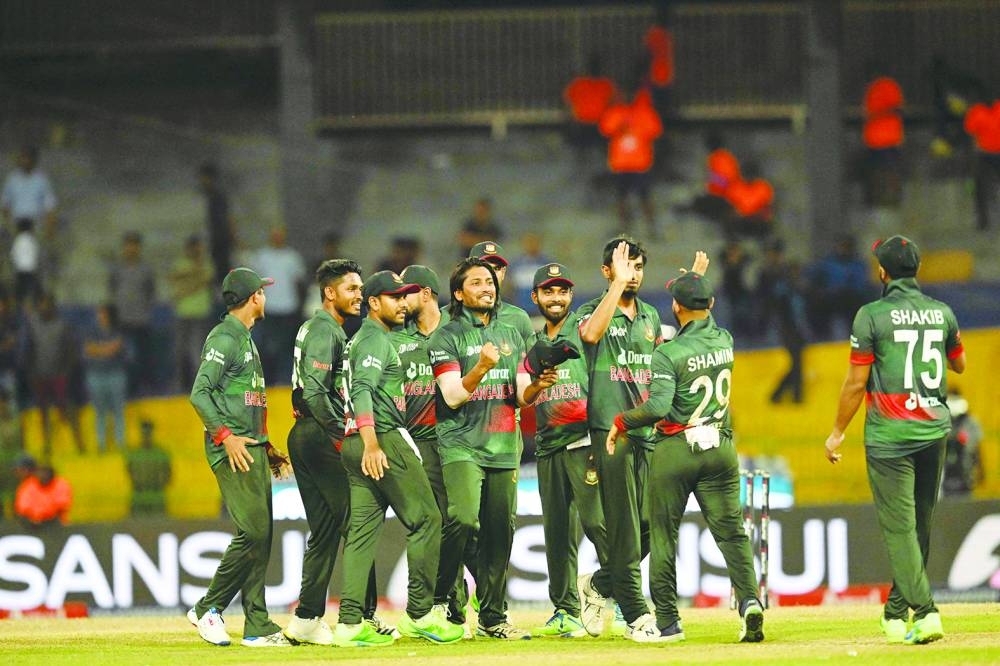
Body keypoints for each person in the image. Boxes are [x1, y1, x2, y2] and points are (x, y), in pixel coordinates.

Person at [606, 270, 765, 643]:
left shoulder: (669, 352)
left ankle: (668, 622)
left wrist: (622, 421)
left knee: (664, 537)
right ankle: (750, 602)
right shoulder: (725, 339)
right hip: (720, 447)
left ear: (675, 306)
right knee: (732, 533)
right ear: (710, 304)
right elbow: (704, 320)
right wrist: (698, 280)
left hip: (677, 448)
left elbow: (658, 406)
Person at [824, 235, 965, 645]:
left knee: (900, 528)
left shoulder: (871, 315)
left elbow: (855, 384)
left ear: (883, 273)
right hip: (934, 429)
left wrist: (836, 433)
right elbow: (959, 363)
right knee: (920, 524)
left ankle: (927, 612)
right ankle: (895, 611)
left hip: (889, 435)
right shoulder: (943, 312)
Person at [576, 238, 707, 640]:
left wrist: (694, 285)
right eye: (624, 265)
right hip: (610, 430)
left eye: (637, 266)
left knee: (650, 520)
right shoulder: (591, 310)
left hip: (647, 430)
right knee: (624, 527)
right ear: (607, 272)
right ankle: (636, 614)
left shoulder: (651, 316)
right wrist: (616, 286)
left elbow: (674, 356)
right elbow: (591, 336)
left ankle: (600, 584)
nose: (633, 272)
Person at [428, 258, 558, 640]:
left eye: (490, 282)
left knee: (501, 532)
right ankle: (440, 601)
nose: (487, 288)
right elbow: (451, 397)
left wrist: (539, 386)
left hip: (503, 445)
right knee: (464, 519)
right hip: (461, 445)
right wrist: (482, 367)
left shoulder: (511, 332)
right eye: (477, 283)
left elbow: (521, 395)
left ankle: (492, 617)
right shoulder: (445, 336)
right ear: (458, 293)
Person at [335, 270, 463, 646]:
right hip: (381, 439)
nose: (403, 303)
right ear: (373, 303)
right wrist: (373, 442)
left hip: (352, 443)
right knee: (427, 518)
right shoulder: (375, 339)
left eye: (406, 296)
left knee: (361, 534)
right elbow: (361, 390)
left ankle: (348, 622)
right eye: (394, 297)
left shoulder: (363, 339)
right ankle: (422, 613)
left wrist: (362, 440)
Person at [187, 266, 293, 648]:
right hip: (232, 450)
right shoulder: (225, 337)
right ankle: (207, 608)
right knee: (253, 532)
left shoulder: (245, 339)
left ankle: (257, 624)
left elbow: (245, 402)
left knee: (260, 537)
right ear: (254, 298)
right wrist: (226, 437)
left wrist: (266, 446)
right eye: (262, 292)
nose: (265, 297)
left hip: (251, 448)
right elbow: (200, 393)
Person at [284, 259, 386, 646]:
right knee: (359, 522)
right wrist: (341, 435)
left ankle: (307, 617)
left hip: (305, 434)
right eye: (352, 289)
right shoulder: (327, 331)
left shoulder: (318, 327)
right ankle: (363, 617)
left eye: (361, 289)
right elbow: (314, 391)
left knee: (325, 529)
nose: (360, 295)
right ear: (330, 293)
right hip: (321, 433)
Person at [526, 263, 612, 638]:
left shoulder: (582, 327)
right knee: (557, 531)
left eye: (562, 291)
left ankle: (623, 598)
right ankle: (566, 610)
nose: (556, 298)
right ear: (536, 297)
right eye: (548, 291)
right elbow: (525, 396)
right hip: (547, 445)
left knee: (599, 524)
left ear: (571, 296)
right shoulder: (530, 342)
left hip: (583, 441)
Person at [390, 265, 473, 633]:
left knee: (463, 521)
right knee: (434, 522)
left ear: (424, 293)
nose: (399, 301)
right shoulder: (396, 338)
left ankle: (470, 599)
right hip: (419, 440)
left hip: (459, 438)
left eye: (404, 293)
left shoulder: (458, 333)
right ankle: (446, 605)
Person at [25, 292, 84, 455]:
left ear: (53, 307)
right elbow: (29, 350)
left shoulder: (62, 325)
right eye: (42, 305)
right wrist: (31, 372)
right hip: (40, 375)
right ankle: (47, 445)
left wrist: (66, 372)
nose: (45, 308)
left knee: (67, 410)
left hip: (59, 375)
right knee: (43, 413)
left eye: (48, 305)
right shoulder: (33, 325)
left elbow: (71, 350)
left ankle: (78, 444)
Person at [598, 90, 663, 237]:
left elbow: (655, 130)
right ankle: (624, 227)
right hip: (620, 163)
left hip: (640, 163)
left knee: (645, 197)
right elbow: (605, 130)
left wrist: (636, 126)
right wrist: (620, 126)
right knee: (622, 197)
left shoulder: (645, 113)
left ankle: (652, 228)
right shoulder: (614, 113)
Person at [251, 226, 307, 385]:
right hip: (268, 309)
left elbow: (298, 283)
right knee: (268, 347)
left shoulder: (292, 257)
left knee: (287, 347)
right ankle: (268, 380)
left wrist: (299, 306)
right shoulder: (262, 256)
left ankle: (285, 381)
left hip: (288, 308)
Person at [109, 232, 156, 397]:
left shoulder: (146, 269)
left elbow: (151, 292)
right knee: (126, 358)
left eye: (134, 245)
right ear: (124, 248)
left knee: (143, 358)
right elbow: (113, 289)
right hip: (123, 320)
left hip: (141, 320)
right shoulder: (117, 269)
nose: (131, 249)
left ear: (139, 248)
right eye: (128, 245)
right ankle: (128, 391)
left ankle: (144, 390)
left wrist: (144, 309)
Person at [169, 234, 214, 390]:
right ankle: (180, 384)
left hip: (200, 313)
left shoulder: (206, 264)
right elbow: (175, 279)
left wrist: (187, 285)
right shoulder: (180, 264)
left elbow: (205, 280)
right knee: (180, 350)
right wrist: (194, 279)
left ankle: (199, 385)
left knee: (198, 351)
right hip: (182, 313)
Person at [467, 241, 534, 343]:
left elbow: (533, 358)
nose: (491, 275)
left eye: (496, 269)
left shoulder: (519, 318)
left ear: (503, 273)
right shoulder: (448, 318)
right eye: (484, 267)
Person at [82, 304, 128, 453]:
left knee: (118, 411)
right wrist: (106, 349)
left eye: (102, 313)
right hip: (96, 375)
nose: (99, 316)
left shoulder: (117, 330)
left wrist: (99, 350)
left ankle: (120, 444)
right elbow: (89, 349)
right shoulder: (91, 331)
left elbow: (115, 348)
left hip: (115, 374)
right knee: (99, 411)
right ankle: (101, 444)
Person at [770, 261, 810, 404]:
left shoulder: (798, 290)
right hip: (788, 330)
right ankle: (792, 396)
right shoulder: (784, 289)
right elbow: (781, 310)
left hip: (797, 330)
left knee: (797, 365)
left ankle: (784, 395)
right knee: (797, 365)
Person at [198, 162, 236, 284]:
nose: (203, 181)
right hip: (215, 239)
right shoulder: (209, 196)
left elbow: (227, 218)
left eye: (205, 178)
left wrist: (232, 235)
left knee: (222, 268)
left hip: (221, 240)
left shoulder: (218, 196)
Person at [126, 420, 172, 515]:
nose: (146, 436)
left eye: (148, 433)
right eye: (144, 433)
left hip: (157, 497)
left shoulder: (161, 454)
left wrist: (159, 486)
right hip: (138, 497)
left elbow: (168, 473)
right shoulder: (134, 454)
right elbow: (130, 473)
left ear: (152, 433)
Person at [14, 460, 72, 528]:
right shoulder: (28, 485)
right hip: (33, 524)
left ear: (52, 474)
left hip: (56, 523)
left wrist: (41, 515)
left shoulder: (61, 484)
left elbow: (61, 506)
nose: (43, 475)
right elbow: (23, 507)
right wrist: (36, 517)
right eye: (41, 472)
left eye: (46, 472)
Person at [505, 232, 552, 312]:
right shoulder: (515, 264)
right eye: (529, 242)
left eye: (534, 242)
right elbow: (510, 285)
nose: (531, 245)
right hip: (520, 307)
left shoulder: (547, 263)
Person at [10, 218, 41, 306]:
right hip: (31, 270)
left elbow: (13, 254)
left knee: (20, 292)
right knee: (34, 292)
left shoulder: (18, 240)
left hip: (20, 270)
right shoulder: (32, 239)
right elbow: (36, 253)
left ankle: (18, 306)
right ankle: (35, 305)